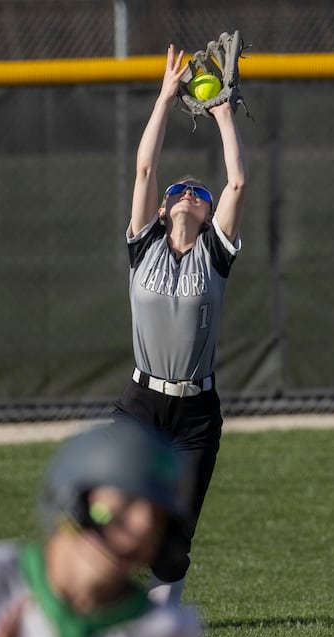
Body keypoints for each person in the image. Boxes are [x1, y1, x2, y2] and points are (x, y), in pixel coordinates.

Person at [114, 43, 248, 606]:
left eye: (199, 191)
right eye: (179, 191)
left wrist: (221, 114)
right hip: (142, 405)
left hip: (196, 415)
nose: (188, 192)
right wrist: (167, 97)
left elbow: (237, 182)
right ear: (165, 209)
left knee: (173, 543)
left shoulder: (215, 255)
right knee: (117, 524)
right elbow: (145, 167)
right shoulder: (143, 245)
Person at [0, 415, 204, 637]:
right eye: (126, 503)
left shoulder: (168, 630)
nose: (144, 525)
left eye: (160, 518)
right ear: (71, 499)